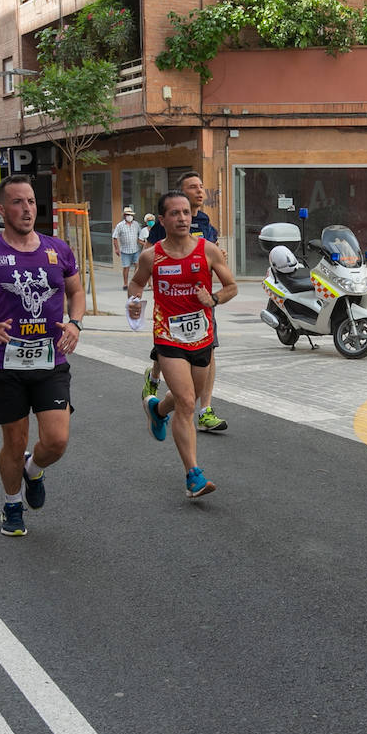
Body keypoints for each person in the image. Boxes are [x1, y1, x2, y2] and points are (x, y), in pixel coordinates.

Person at [0, 174, 86, 538]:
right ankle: (12, 504)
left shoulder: (57, 249)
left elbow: (77, 293)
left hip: (50, 359)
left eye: (30, 201)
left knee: (57, 441)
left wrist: (75, 323)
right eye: (17, 202)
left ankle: (33, 469)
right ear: (1, 209)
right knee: (13, 442)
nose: (27, 209)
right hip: (3, 363)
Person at [129, 190, 238, 499]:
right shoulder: (152, 256)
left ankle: (157, 410)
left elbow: (231, 287)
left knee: (183, 398)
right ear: (162, 220)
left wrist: (214, 298)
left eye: (186, 212)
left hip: (201, 337)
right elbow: (137, 282)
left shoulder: (209, 251)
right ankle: (193, 474)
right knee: (188, 402)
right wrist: (134, 302)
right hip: (168, 336)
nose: (182, 218)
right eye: (174, 213)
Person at [179, 171, 227, 433]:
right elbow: (150, 256)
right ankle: (154, 380)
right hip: (173, 300)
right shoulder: (168, 220)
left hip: (203, 300)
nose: (199, 191)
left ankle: (205, 410)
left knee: (209, 351)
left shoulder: (206, 222)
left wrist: (219, 256)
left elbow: (214, 256)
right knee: (169, 354)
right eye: (192, 187)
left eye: (201, 186)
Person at [112, 206, 141, 291]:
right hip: (125, 250)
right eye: (128, 215)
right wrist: (116, 249)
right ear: (124, 216)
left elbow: (141, 235)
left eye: (130, 215)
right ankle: (125, 283)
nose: (129, 216)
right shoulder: (120, 225)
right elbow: (115, 237)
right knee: (126, 267)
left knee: (137, 266)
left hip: (135, 249)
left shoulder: (136, 224)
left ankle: (135, 282)